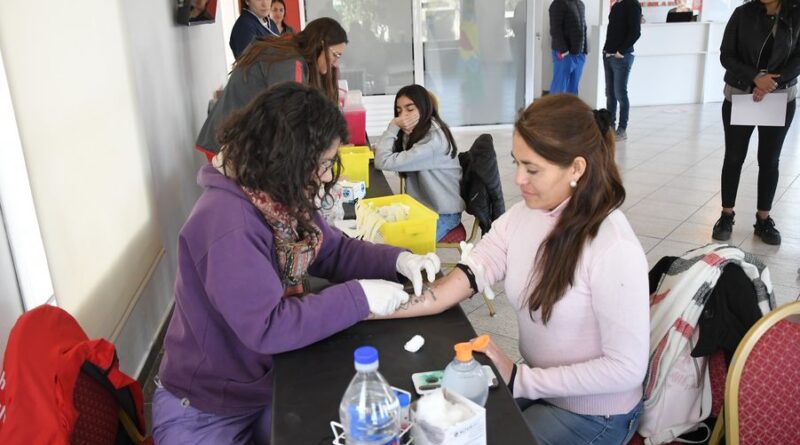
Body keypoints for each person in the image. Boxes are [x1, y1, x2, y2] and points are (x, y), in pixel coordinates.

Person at [153, 83, 440, 445]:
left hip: (263, 384)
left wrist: (398, 259)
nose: (327, 176)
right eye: (323, 164)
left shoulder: (277, 196)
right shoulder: (227, 223)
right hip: (206, 408)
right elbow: (268, 327)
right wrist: (359, 297)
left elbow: (333, 251)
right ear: (290, 158)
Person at [379, 94, 650, 445]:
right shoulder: (526, 215)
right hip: (541, 386)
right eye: (516, 163)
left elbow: (626, 369)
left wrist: (521, 380)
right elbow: (467, 274)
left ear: (576, 168)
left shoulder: (614, 248)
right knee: (441, 429)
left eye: (532, 169)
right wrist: (368, 306)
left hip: (595, 413)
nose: (519, 179)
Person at [712, 0, 800, 246]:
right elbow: (726, 55)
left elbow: (797, 57)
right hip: (740, 93)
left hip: (780, 96)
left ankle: (763, 219)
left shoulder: (796, 14)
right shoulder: (742, 13)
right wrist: (755, 78)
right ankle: (726, 215)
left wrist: (771, 83)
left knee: (770, 160)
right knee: (734, 157)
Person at [197, 17, 347, 156]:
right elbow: (293, 120)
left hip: (230, 138)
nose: (336, 64)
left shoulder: (288, 51)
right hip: (227, 144)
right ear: (320, 45)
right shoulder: (290, 63)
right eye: (336, 55)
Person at [374, 85, 465, 242]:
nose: (403, 116)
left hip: (441, 214)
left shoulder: (433, 141)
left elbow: (382, 160)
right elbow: (381, 151)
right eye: (399, 111)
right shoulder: (420, 129)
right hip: (423, 207)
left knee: (396, 246)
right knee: (378, 232)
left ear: (424, 108)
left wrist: (393, 126)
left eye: (410, 109)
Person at [602, 0, 642, 141]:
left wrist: (621, 51)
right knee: (610, 94)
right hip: (608, 54)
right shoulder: (616, 6)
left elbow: (635, 32)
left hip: (621, 57)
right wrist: (606, 50)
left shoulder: (633, 4)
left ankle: (622, 129)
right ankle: (610, 127)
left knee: (620, 93)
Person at [549, 0, 588, 95]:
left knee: (573, 91)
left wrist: (584, 51)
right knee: (559, 90)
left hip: (579, 54)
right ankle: (555, 106)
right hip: (565, 54)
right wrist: (564, 51)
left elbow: (584, 28)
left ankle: (570, 106)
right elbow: (555, 30)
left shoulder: (581, 4)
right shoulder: (558, 3)